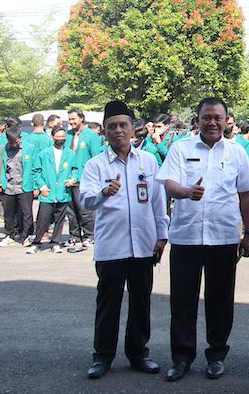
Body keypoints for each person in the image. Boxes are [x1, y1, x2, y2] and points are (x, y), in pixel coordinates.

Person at [157, 97, 249, 382]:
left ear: (227, 121)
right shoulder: (180, 148)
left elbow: (246, 195)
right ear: (197, 120)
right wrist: (187, 191)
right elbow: (170, 185)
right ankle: (182, 358)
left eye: (217, 118)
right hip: (186, 237)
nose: (212, 122)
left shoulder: (236, 153)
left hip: (223, 238)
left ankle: (216, 356)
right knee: (183, 301)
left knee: (220, 301)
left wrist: (248, 234)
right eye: (206, 117)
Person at [80, 101, 169, 380]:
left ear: (133, 129)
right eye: (112, 127)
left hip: (143, 244)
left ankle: (138, 353)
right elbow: (85, 200)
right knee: (109, 303)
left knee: (141, 301)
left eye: (123, 125)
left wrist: (162, 235)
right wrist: (104, 192)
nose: (118, 130)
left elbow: (158, 201)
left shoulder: (148, 161)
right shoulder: (95, 165)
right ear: (104, 132)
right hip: (112, 246)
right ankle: (102, 356)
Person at [27, 124, 80, 253]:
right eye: (58, 136)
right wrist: (42, 186)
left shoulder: (70, 154)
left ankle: (55, 242)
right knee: (43, 219)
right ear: (52, 137)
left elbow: (75, 170)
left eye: (63, 136)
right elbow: (36, 172)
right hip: (48, 193)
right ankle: (37, 242)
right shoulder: (43, 154)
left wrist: (73, 178)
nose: (61, 139)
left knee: (60, 220)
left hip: (62, 192)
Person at [66, 107, 101, 250]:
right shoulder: (67, 135)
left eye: (74, 119)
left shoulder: (91, 136)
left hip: (84, 178)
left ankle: (89, 235)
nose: (71, 122)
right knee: (71, 210)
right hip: (67, 178)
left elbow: (96, 157)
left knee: (84, 209)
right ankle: (74, 236)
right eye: (69, 119)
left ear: (81, 118)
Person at [0, 121, 26, 248]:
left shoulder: (26, 149)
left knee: (24, 213)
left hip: (22, 186)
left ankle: (24, 234)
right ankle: (9, 235)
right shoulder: (2, 150)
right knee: (8, 213)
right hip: (8, 186)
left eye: (16, 142)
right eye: (11, 143)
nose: (14, 144)